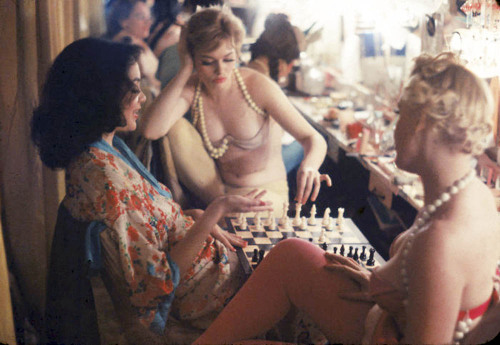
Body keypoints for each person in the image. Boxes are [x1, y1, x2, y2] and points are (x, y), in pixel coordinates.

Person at [193, 52, 500, 344]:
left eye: (399, 114)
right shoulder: (471, 195)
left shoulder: (440, 241)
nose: (394, 129)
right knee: (291, 254)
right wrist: (384, 286)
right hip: (384, 314)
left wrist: (394, 301)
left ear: (420, 125)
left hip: (379, 332)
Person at [31, 37, 273, 343]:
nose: (142, 96)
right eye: (133, 87)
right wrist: (215, 211)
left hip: (209, 275)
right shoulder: (104, 176)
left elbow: (145, 227)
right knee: (295, 262)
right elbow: (157, 282)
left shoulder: (108, 149)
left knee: (295, 259)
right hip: (204, 301)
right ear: (100, 94)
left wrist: (194, 216)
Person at [141, 7, 331, 218]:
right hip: (220, 194)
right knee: (174, 126)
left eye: (228, 59)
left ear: (238, 53)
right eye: (207, 61)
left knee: (231, 225)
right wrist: (185, 68)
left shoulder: (257, 85)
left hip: (265, 192)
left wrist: (310, 166)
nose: (220, 70)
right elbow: (151, 130)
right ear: (193, 57)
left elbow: (313, 137)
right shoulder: (193, 88)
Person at [247, 12, 306, 175]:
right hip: (256, 168)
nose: (288, 72)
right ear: (282, 63)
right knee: (307, 143)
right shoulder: (266, 86)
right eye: (290, 66)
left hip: (243, 159)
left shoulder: (242, 70)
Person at [105, 0, 161, 97]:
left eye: (149, 17)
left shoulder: (136, 40)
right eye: (141, 17)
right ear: (123, 21)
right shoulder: (126, 44)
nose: (148, 22)